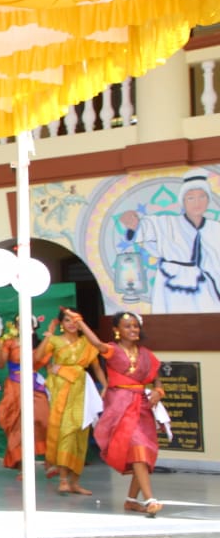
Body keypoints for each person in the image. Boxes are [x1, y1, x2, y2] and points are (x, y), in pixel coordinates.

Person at [76, 311, 168, 516]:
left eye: (135, 326)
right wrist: (80, 322)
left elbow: (157, 377)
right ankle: (150, 499)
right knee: (138, 449)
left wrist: (158, 391)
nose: (133, 329)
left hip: (142, 407)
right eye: (127, 326)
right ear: (117, 330)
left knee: (144, 452)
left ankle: (131, 501)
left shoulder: (146, 354)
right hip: (120, 406)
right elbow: (96, 343)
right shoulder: (113, 350)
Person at [119, 168, 220, 313]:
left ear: (208, 200)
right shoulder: (167, 223)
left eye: (202, 197)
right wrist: (132, 222)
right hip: (171, 282)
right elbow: (145, 227)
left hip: (203, 283)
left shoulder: (215, 228)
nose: (197, 202)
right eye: (191, 198)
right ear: (183, 201)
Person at [41, 307, 107, 496]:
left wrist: (105, 385)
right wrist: (52, 368)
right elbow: (39, 359)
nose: (71, 324)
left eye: (75, 320)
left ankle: (75, 482)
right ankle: (63, 480)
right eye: (67, 320)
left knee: (81, 433)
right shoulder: (55, 341)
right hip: (62, 390)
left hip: (82, 390)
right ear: (62, 323)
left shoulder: (87, 343)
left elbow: (96, 367)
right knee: (66, 432)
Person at [0, 323, 50, 476]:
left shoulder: (40, 343)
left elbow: (44, 363)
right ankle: (22, 466)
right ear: (17, 327)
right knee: (18, 424)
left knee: (44, 419)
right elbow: (0, 364)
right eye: (20, 324)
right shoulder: (10, 343)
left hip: (34, 385)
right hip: (15, 387)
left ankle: (50, 460)